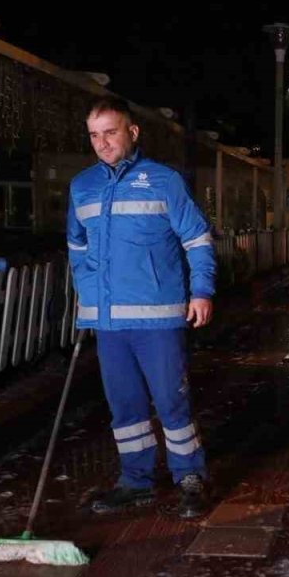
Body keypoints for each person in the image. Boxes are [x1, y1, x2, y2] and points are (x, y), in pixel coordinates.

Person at [66, 96, 217, 518]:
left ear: (132, 132)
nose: (102, 143)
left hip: (159, 317)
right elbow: (78, 247)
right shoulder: (82, 186)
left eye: (110, 132)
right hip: (110, 321)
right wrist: (88, 296)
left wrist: (201, 291)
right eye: (94, 135)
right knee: (125, 406)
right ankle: (135, 481)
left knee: (171, 399)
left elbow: (197, 239)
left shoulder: (164, 181)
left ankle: (190, 476)